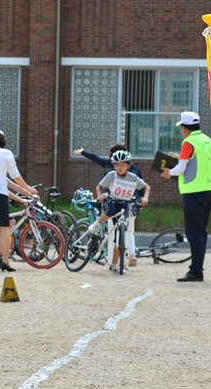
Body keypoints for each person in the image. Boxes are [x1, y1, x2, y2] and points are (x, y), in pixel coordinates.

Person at [73, 143, 144, 267]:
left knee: (114, 234)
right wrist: (142, 199)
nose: (119, 166)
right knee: (128, 231)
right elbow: (142, 188)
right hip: (130, 203)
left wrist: (83, 152)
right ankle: (128, 256)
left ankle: (114, 261)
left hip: (116, 202)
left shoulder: (111, 165)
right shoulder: (133, 168)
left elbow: (96, 158)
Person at [161, 111, 211, 282]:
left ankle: (196, 271)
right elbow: (196, 162)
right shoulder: (206, 140)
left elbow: (180, 169)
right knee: (201, 231)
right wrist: (179, 157)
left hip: (193, 191)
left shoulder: (188, 142)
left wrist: (169, 173)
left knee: (194, 232)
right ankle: (197, 268)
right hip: (208, 190)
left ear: (184, 128)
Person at [88, 150, 150, 273]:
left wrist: (145, 197)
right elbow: (99, 186)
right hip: (112, 201)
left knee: (119, 237)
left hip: (125, 204)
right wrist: (99, 196)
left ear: (128, 165)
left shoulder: (133, 177)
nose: (120, 167)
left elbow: (146, 187)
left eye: (122, 164)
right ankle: (97, 224)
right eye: (117, 164)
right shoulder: (111, 175)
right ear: (113, 165)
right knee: (110, 210)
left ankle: (115, 264)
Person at [0, 132, 37, 271]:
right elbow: (15, 176)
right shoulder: (6, 154)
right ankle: (5, 261)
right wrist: (28, 188)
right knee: (4, 229)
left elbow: (9, 183)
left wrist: (27, 192)